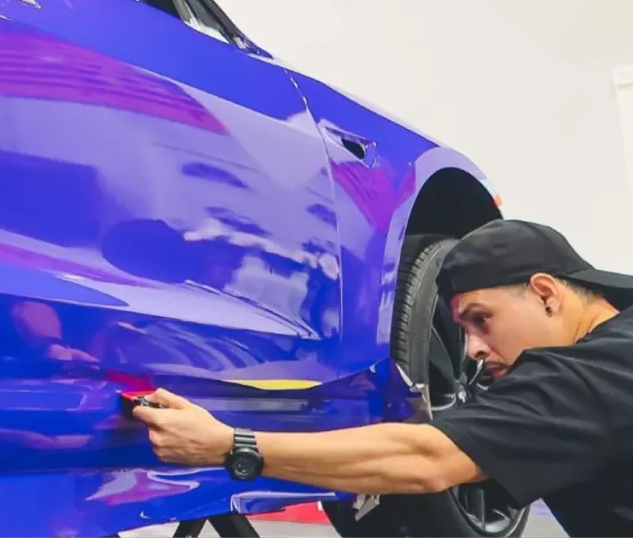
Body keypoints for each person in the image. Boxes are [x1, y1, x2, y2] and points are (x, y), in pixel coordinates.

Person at [132, 219, 633, 538]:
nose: (474, 352)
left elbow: (430, 458)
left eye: (482, 319)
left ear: (546, 294)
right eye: (463, 331)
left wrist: (229, 445)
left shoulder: (591, 373)